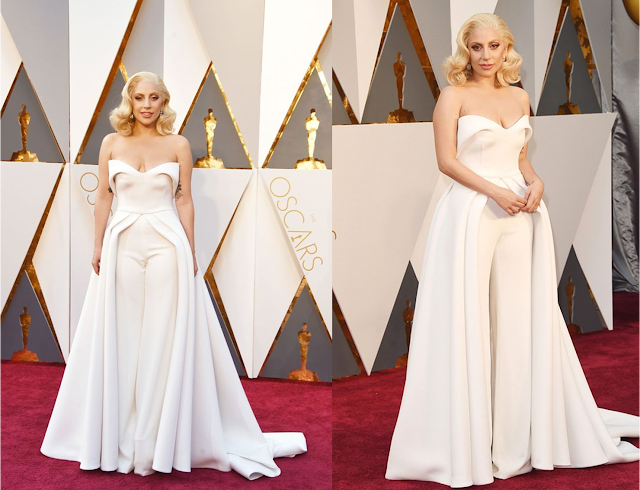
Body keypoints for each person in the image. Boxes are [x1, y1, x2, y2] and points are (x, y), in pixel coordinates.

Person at [385, 13, 640, 487]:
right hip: (470, 213)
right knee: (470, 318)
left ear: (507, 48)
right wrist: (494, 193)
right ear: (466, 50)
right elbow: (446, 162)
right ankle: (469, 433)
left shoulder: (520, 96)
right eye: (476, 47)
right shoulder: (453, 96)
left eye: (494, 46)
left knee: (518, 317)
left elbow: (520, 157)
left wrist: (535, 182)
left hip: (522, 213)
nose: (486, 56)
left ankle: (515, 434)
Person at [40, 71, 306, 479]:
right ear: (129, 101)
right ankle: (121, 435)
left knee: (162, 337)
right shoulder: (111, 143)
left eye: (154, 98)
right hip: (121, 243)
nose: (147, 105)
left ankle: (157, 439)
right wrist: (97, 245)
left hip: (167, 244)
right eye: (139, 97)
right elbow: (103, 198)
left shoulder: (179, 144)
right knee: (124, 334)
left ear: (164, 102)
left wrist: (191, 251)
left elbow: (184, 201)